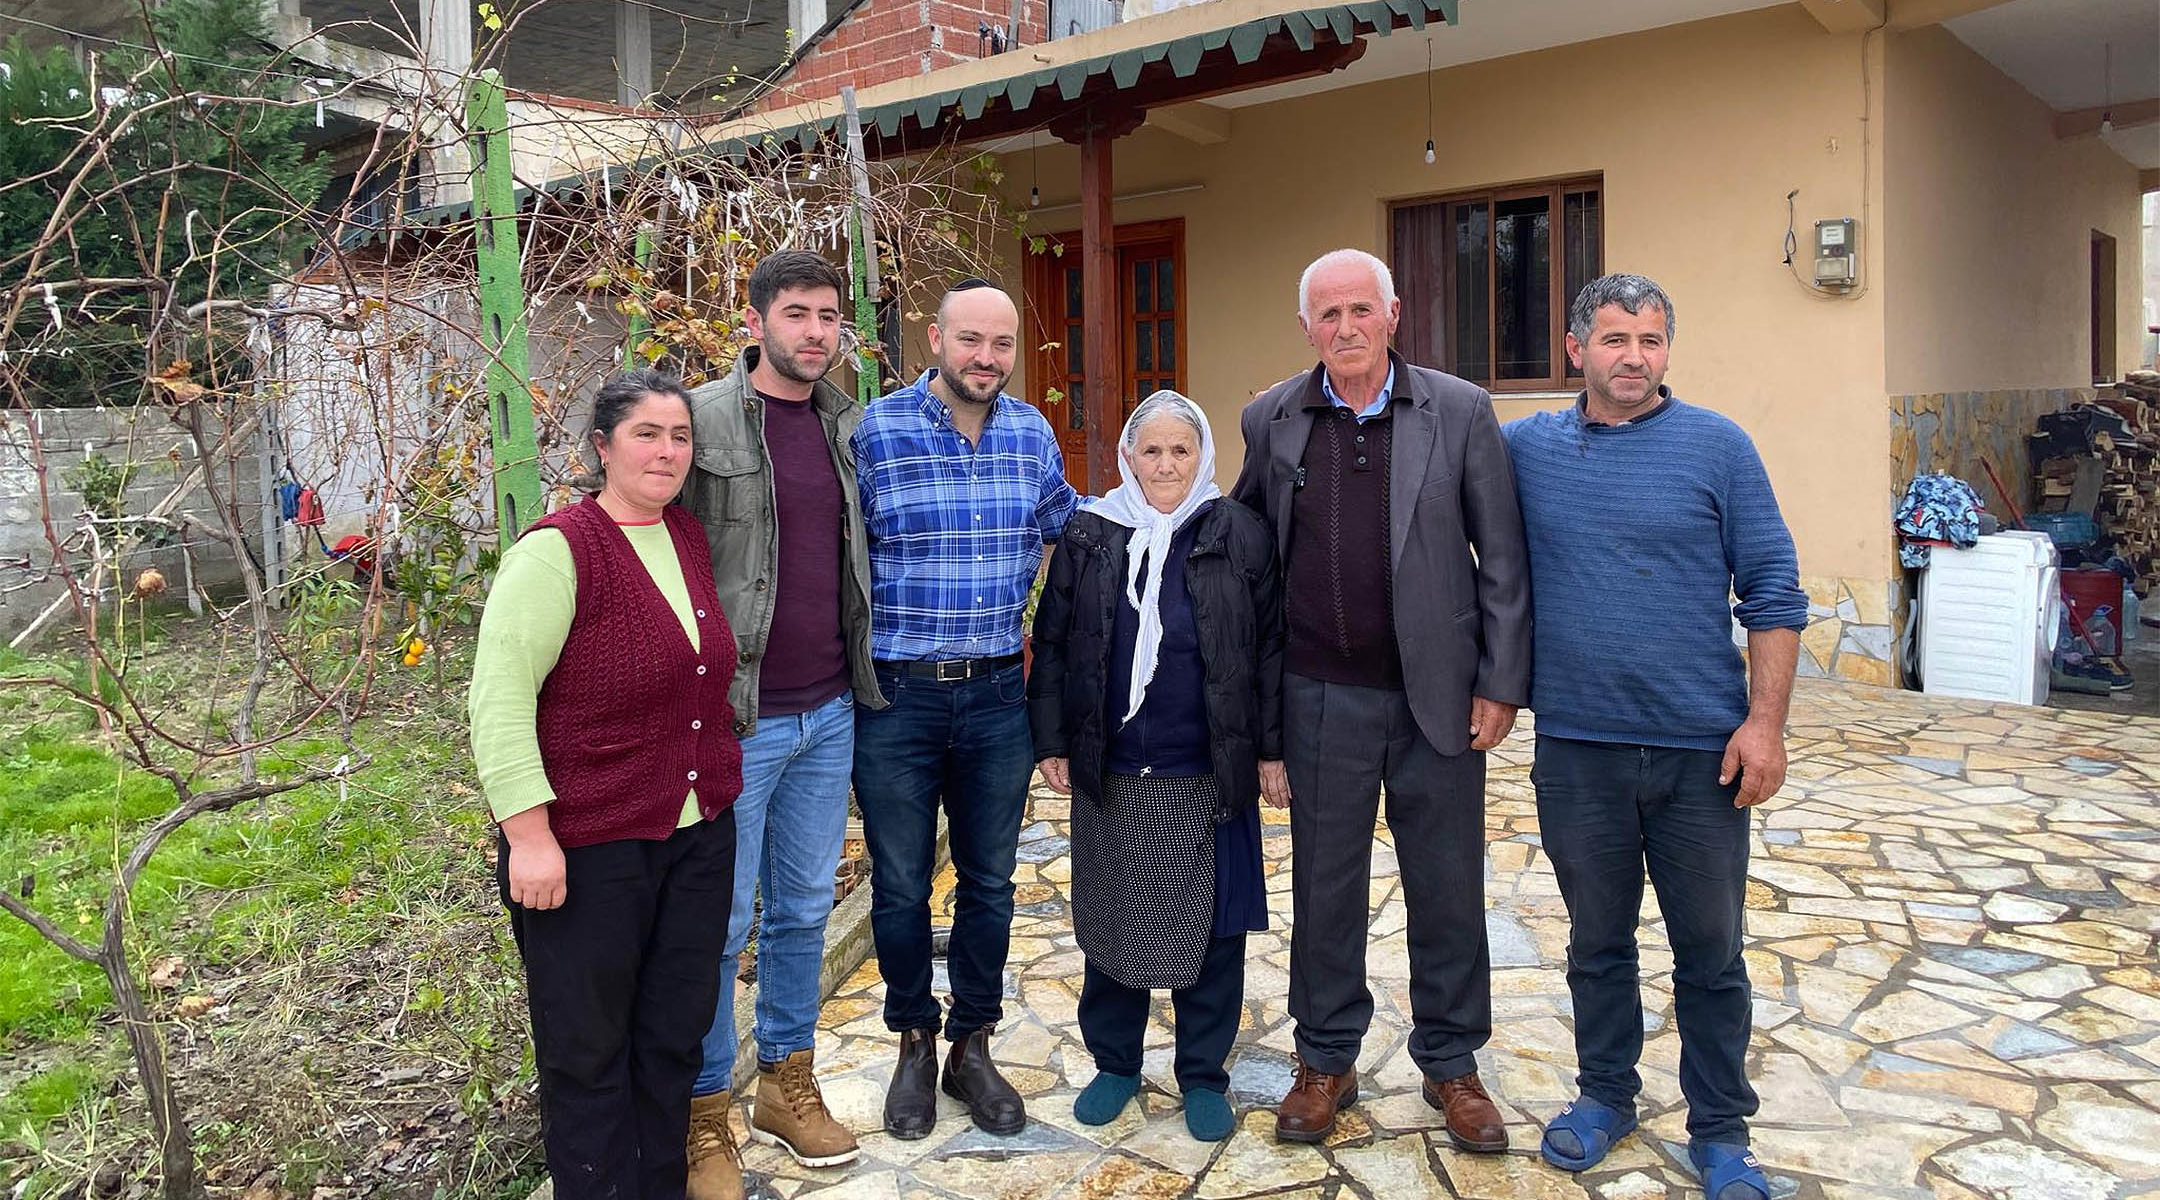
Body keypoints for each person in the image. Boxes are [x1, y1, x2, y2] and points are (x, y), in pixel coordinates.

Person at [1504, 274, 1804, 1200]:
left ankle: (1720, 1130)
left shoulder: (1719, 448)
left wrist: (1765, 725)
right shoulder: (1527, 451)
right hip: (1578, 749)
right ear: (1575, 349)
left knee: (1710, 952)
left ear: (1667, 349)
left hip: (1698, 752)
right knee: (1597, 941)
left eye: (1650, 339)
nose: (1633, 356)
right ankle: (1605, 1095)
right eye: (1614, 339)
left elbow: (1774, 588)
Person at [1230, 248, 1531, 1151]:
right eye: (1329, 314)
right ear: (1306, 327)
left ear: (1394, 314)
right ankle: (1325, 1060)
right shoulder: (1270, 419)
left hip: (1437, 697)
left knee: (1448, 887)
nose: (1347, 327)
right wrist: (1261, 726)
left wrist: (1501, 682)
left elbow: (1504, 560)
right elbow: (1251, 568)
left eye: (1362, 309)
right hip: (1322, 700)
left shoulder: (1461, 410)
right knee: (1326, 893)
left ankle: (1453, 1065)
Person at [469, 369, 743, 1200]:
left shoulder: (686, 537)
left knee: (671, 1038)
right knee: (587, 1053)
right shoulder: (560, 550)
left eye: (680, 437)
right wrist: (529, 837)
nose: (666, 452)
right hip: (588, 848)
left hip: (696, 835)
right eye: (646, 435)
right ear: (601, 447)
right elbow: (499, 698)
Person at [851, 277, 1079, 1140]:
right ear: (936, 343)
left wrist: (1172, 517)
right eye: (970, 341)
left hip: (995, 696)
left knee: (989, 882)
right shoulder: (878, 432)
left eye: (1002, 344)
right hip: (899, 697)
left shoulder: (1030, 434)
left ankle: (972, 1044)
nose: (987, 358)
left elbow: (1072, 526)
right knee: (903, 884)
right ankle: (913, 1039)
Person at [678, 250, 884, 1200]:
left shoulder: (848, 424)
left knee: (803, 911)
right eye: (794, 313)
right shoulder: (701, 421)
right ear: (755, 321)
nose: (813, 331)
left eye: (827, 315)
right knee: (719, 925)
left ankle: (787, 1084)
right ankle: (703, 1116)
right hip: (738, 720)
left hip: (829, 710)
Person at [1028, 391, 1284, 1144]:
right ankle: (1116, 1063)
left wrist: (1270, 748)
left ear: (1203, 456)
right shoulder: (1090, 532)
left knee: (1212, 933)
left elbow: (1269, 649)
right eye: (1152, 451)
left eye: (1182, 450)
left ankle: (1203, 1073)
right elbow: (1055, 641)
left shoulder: (1239, 532)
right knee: (1111, 922)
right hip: (1113, 772)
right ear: (1127, 458)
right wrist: (1053, 740)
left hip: (1207, 770)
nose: (1167, 464)